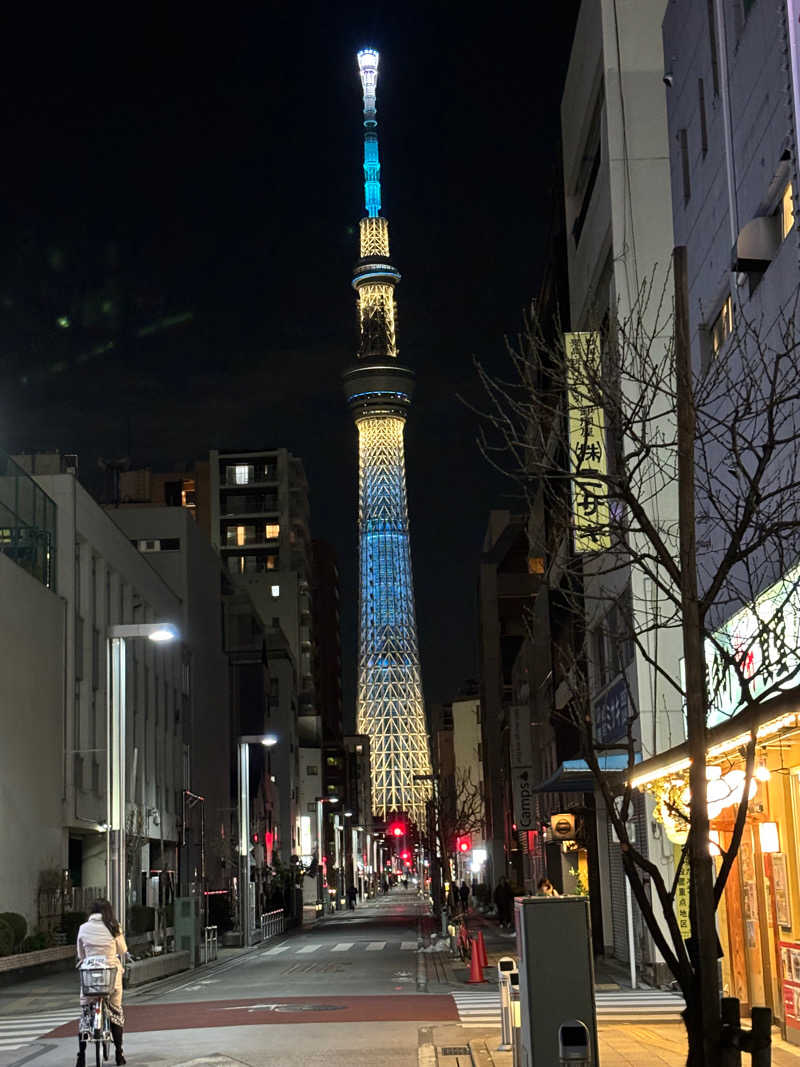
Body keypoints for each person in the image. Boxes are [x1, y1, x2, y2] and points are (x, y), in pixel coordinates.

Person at [76, 899, 128, 1066]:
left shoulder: (83, 928)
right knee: (116, 1011)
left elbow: (80, 952)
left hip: (90, 977)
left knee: (85, 1013)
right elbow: (122, 950)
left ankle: (81, 1056)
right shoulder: (114, 927)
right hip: (110, 977)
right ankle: (119, 1054)